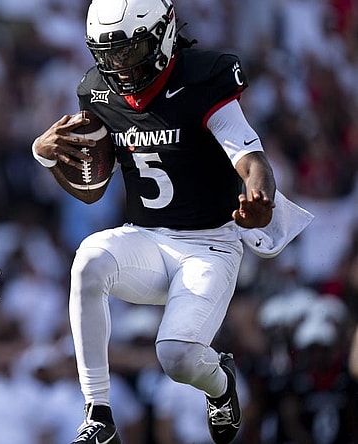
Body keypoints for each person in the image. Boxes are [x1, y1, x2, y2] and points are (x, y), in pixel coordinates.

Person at [32, 1, 309, 443]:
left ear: (162, 34)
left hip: (210, 244)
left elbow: (253, 160)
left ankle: (221, 385)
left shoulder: (202, 78)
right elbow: (92, 191)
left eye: (129, 50)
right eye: (108, 53)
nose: (118, 66)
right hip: (145, 238)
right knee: (88, 261)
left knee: (177, 358)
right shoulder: (98, 93)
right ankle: (98, 414)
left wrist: (260, 197)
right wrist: (45, 157)